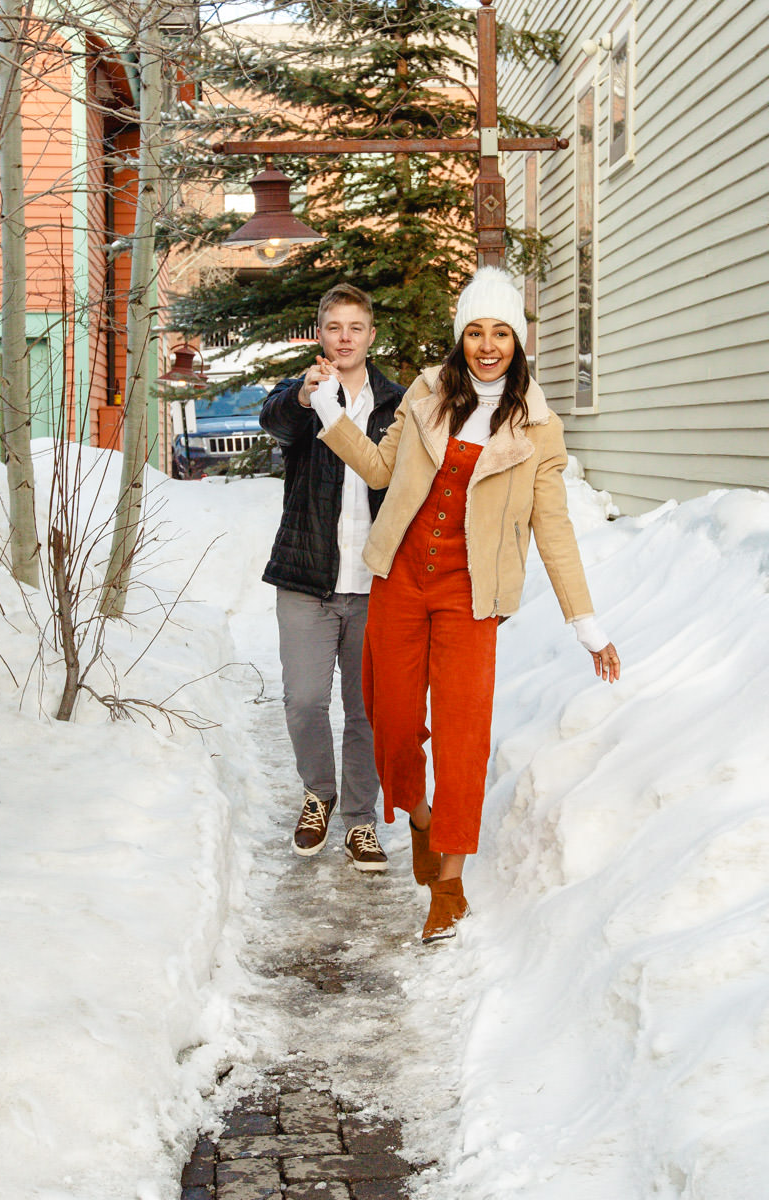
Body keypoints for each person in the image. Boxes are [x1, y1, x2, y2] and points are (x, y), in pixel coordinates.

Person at [304, 266, 621, 942]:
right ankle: (418, 815)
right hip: (399, 581)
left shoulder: (539, 429)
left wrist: (586, 625)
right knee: (388, 723)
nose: (486, 344)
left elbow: (554, 528)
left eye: (500, 332)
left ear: (518, 340)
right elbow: (384, 471)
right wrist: (331, 413)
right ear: (460, 338)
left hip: (470, 595)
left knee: (462, 736)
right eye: (474, 331)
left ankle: (447, 882)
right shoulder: (426, 395)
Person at [258, 284, 407, 871]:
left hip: (373, 584)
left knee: (365, 709)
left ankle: (361, 821)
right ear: (320, 335)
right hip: (306, 577)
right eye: (333, 328)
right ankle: (319, 794)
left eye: (355, 328)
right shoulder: (302, 393)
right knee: (304, 701)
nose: (344, 338)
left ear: (371, 336)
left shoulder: (398, 403)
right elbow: (277, 424)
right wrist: (302, 395)